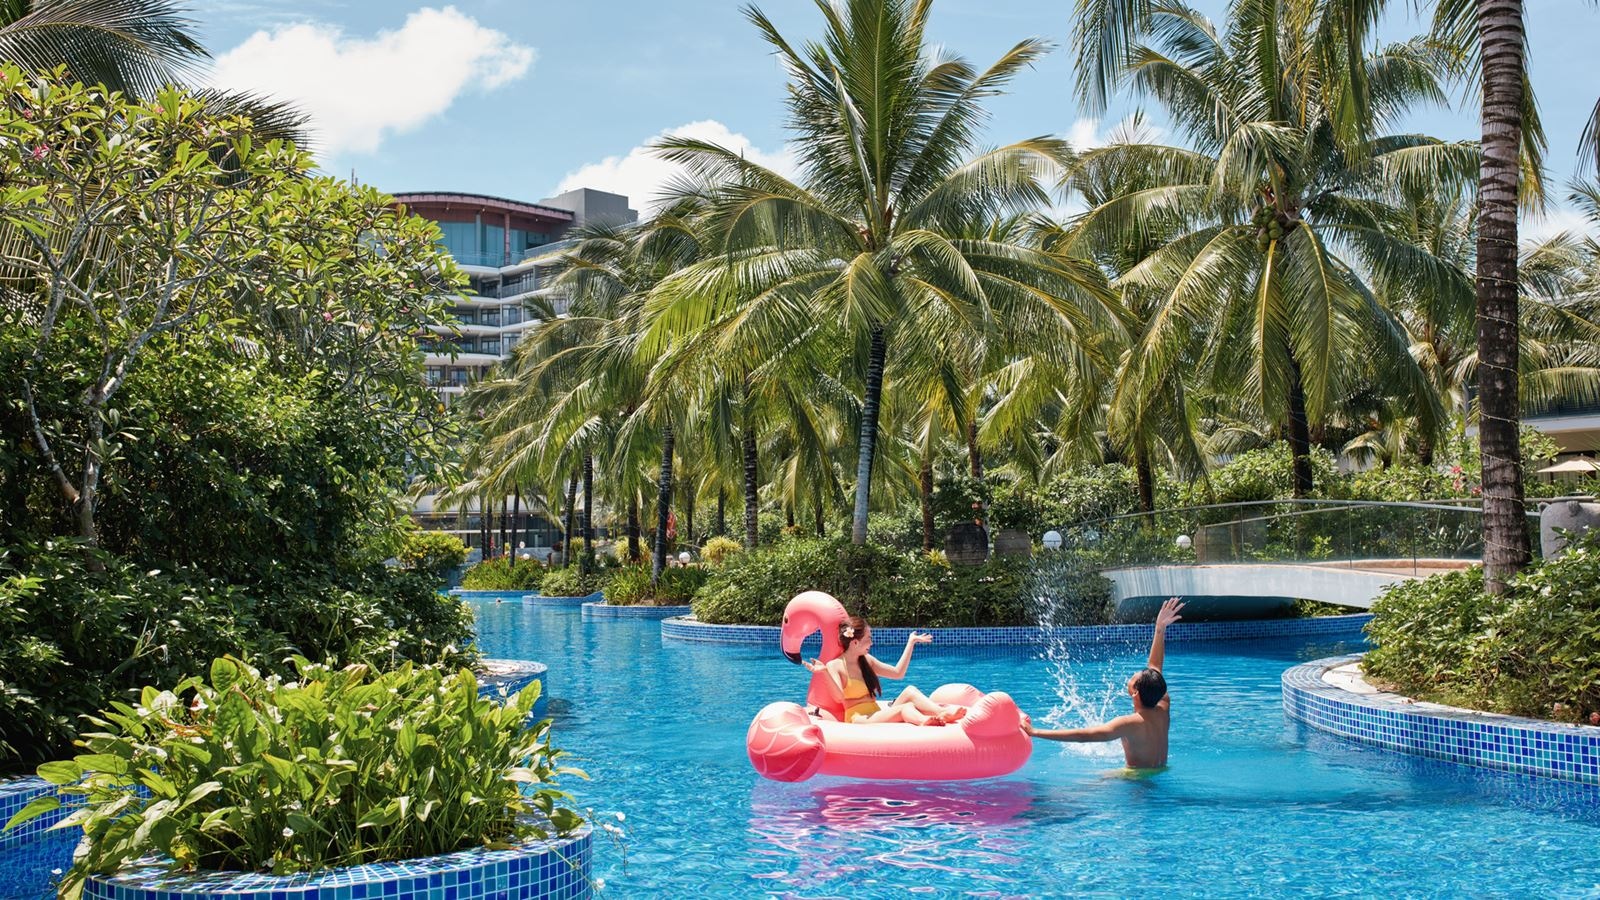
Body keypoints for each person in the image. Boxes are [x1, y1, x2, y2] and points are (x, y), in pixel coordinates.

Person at [1024, 597, 1185, 768]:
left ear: (1135, 692)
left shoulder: (1130, 723)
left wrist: (1036, 732)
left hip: (1137, 782)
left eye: (1133, 677)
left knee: (1088, 785)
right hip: (1161, 771)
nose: (1130, 677)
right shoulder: (1163, 706)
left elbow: (1084, 736)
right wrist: (1160, 629)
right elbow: (1155, 667)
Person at [802, 615, 966, 725]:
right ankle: (924, 721)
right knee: (905, 708)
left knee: (910, 691)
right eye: (868, 639)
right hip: (859, 719)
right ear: (855, 643)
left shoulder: (867, 660)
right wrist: (824, 672)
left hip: (875, 712)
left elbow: (898, 673)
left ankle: (943, 712)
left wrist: (911, 642)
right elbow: (838, 697)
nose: (871, 643)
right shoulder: (835, 666)